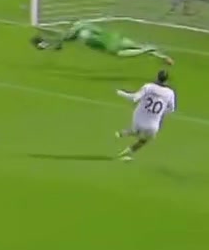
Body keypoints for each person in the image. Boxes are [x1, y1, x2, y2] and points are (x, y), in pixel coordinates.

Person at [31, 19, 174, 64]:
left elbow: (64, 37)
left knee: (124, 54)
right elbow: (64, 38)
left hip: (109, 46)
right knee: (135, 45)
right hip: (114, 37)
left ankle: (147, 50)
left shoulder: (81, 35)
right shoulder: (86, 26)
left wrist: (48, 44)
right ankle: (162, 56)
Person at [114, 70, 176, 161]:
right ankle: (127, 152)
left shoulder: (148, 87)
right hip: (153, 125)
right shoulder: (170, 93)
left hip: (138, 118)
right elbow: (171, 109)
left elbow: (134, 98)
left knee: (137, 131)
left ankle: (125, 133)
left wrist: (121, 93)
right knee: (144, 140)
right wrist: (160, 113)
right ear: (166, 80)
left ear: (157, 77)